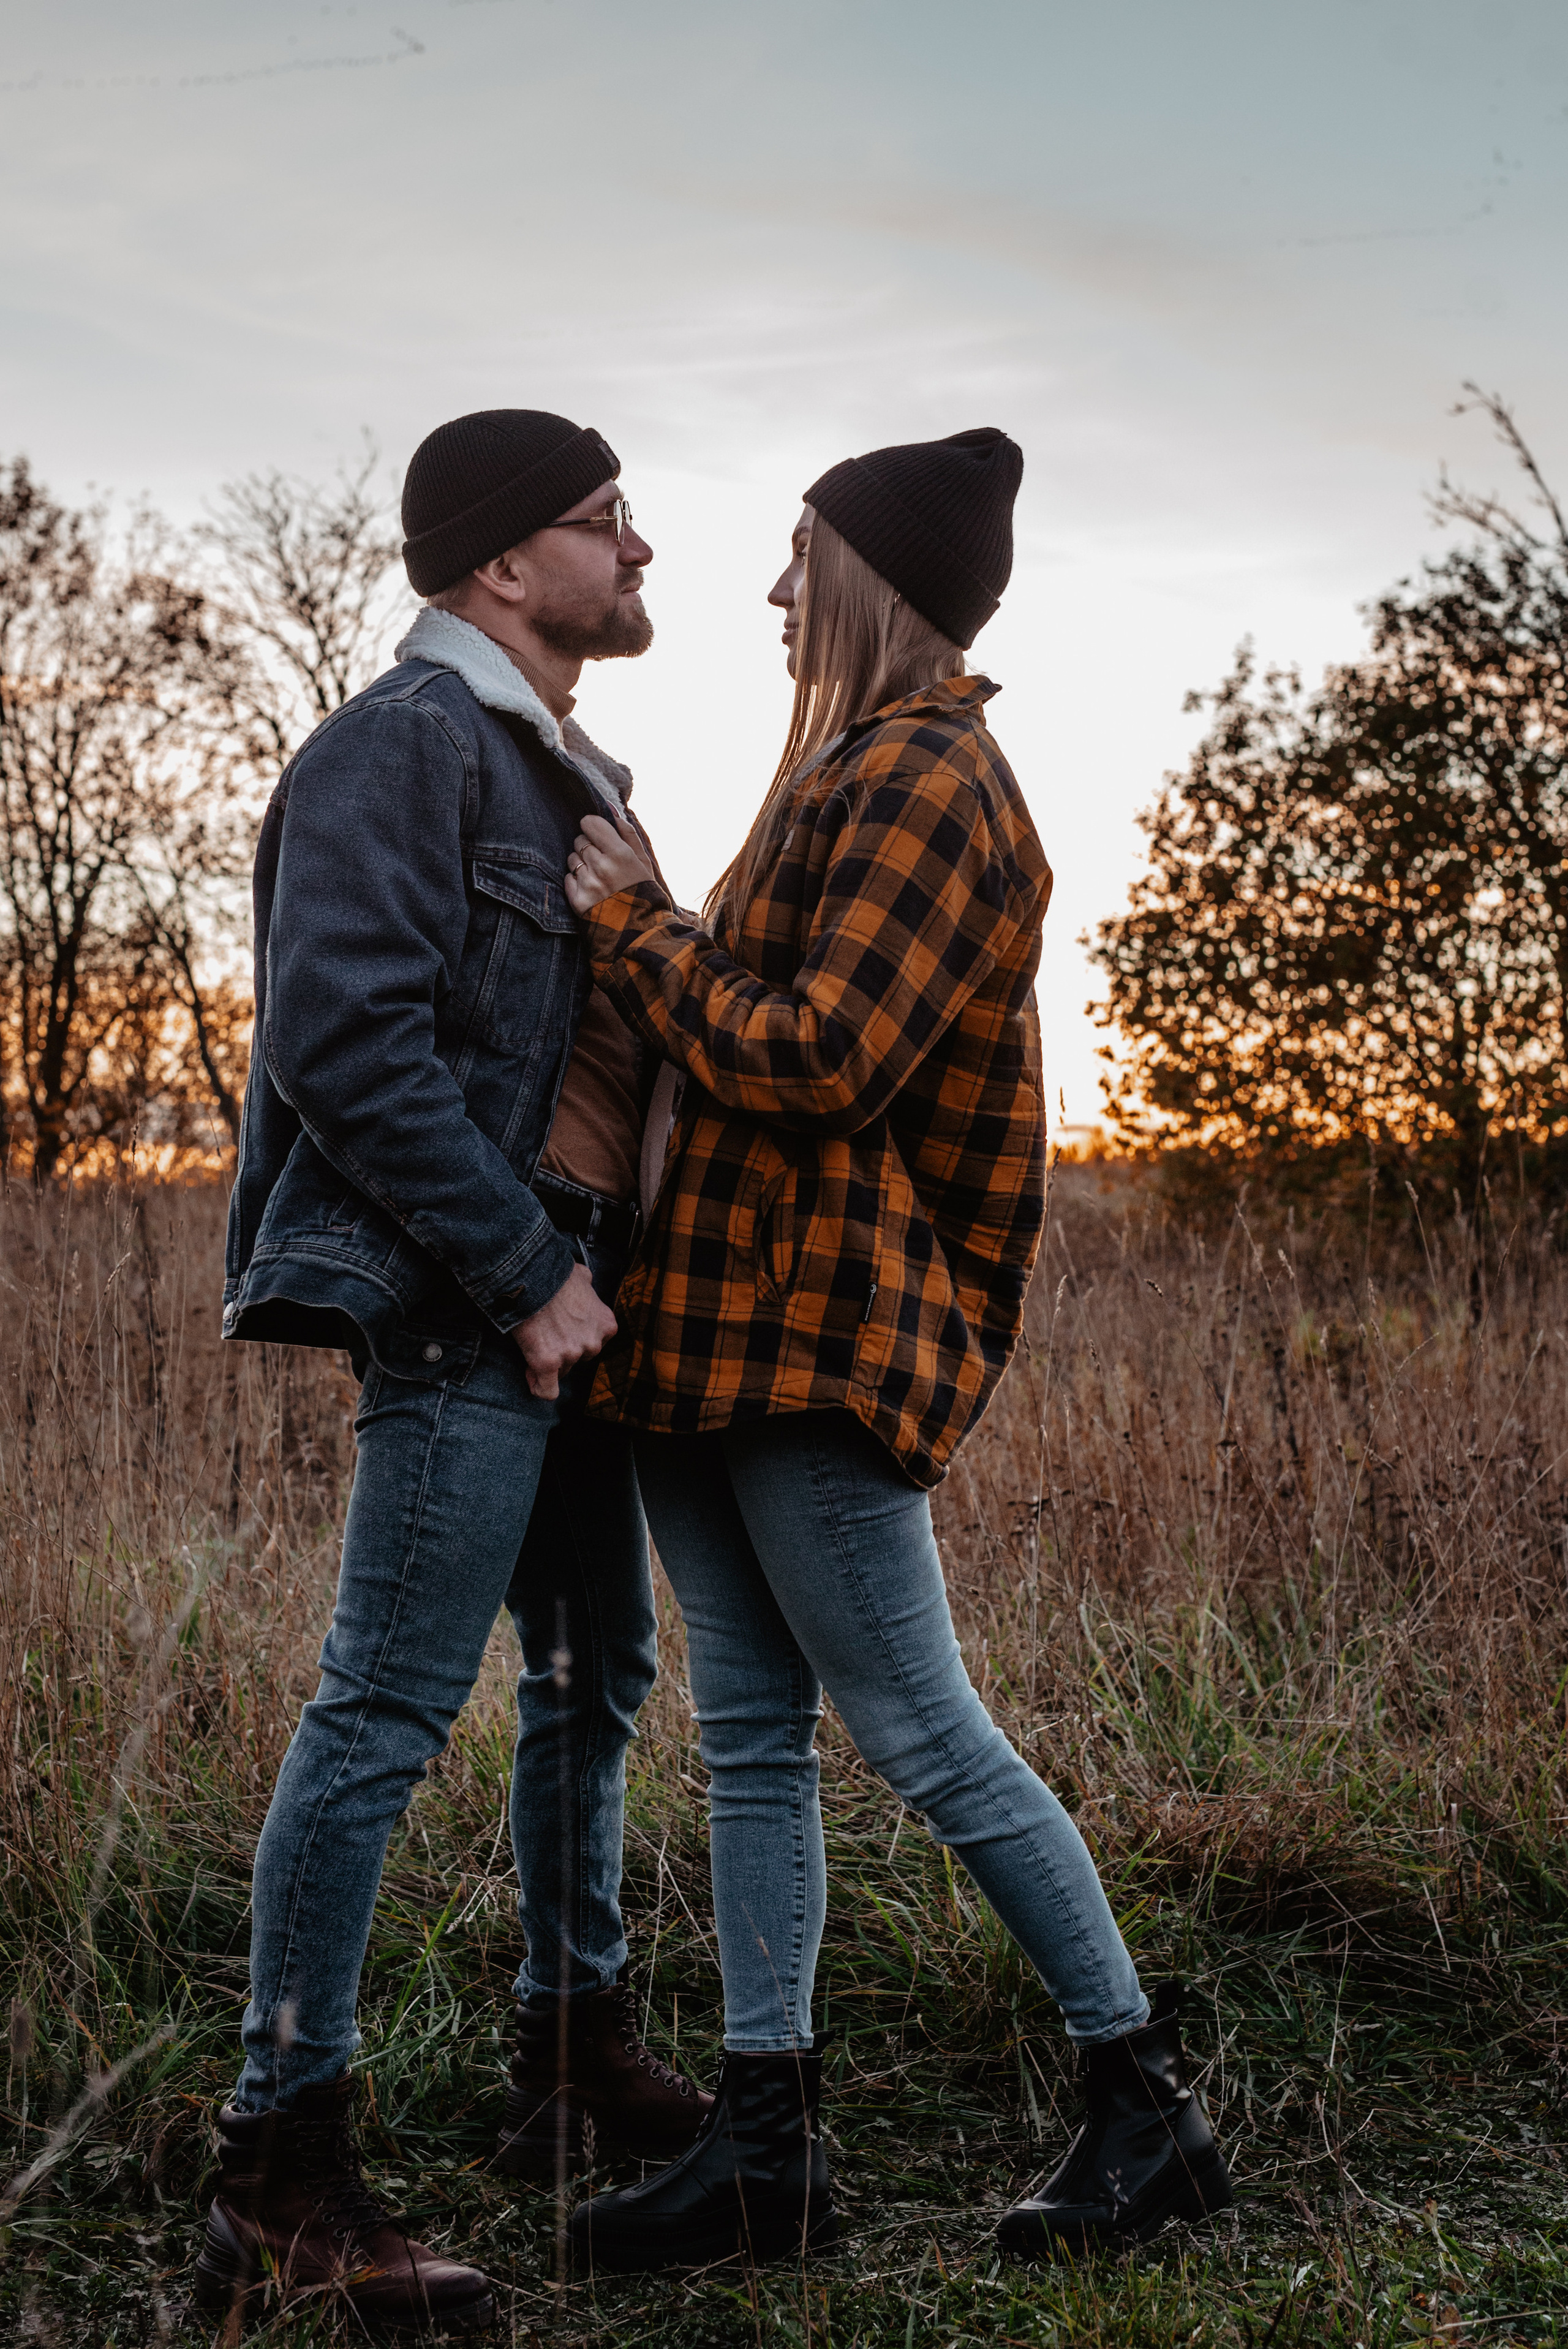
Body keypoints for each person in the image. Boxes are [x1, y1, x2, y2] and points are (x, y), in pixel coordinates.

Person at [557, 429, 1234, 2274]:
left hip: (819, 1339)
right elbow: (756, 1021)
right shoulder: (843, 775)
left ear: (868, 576)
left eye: (798, 557)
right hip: (710, 1340)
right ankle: (765, 2149)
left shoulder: (943, 782)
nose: (773, 592)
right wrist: (671, 934)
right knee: (754, 1743)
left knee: (925, 1731)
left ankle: (1144, 2100)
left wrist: (636, 928)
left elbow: (817, 1057)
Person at [197, 408, 709, 2337]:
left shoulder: (559, 768)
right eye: (606, 522)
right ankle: (279, 2168)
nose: (640, 548)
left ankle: (567, 2057)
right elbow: (343, 1036)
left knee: (596, 1678)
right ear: (504, 564)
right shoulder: (396, 749)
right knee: (386, 1711)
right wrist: (518, 1276)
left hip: (573, 1294)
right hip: (468, 1302)